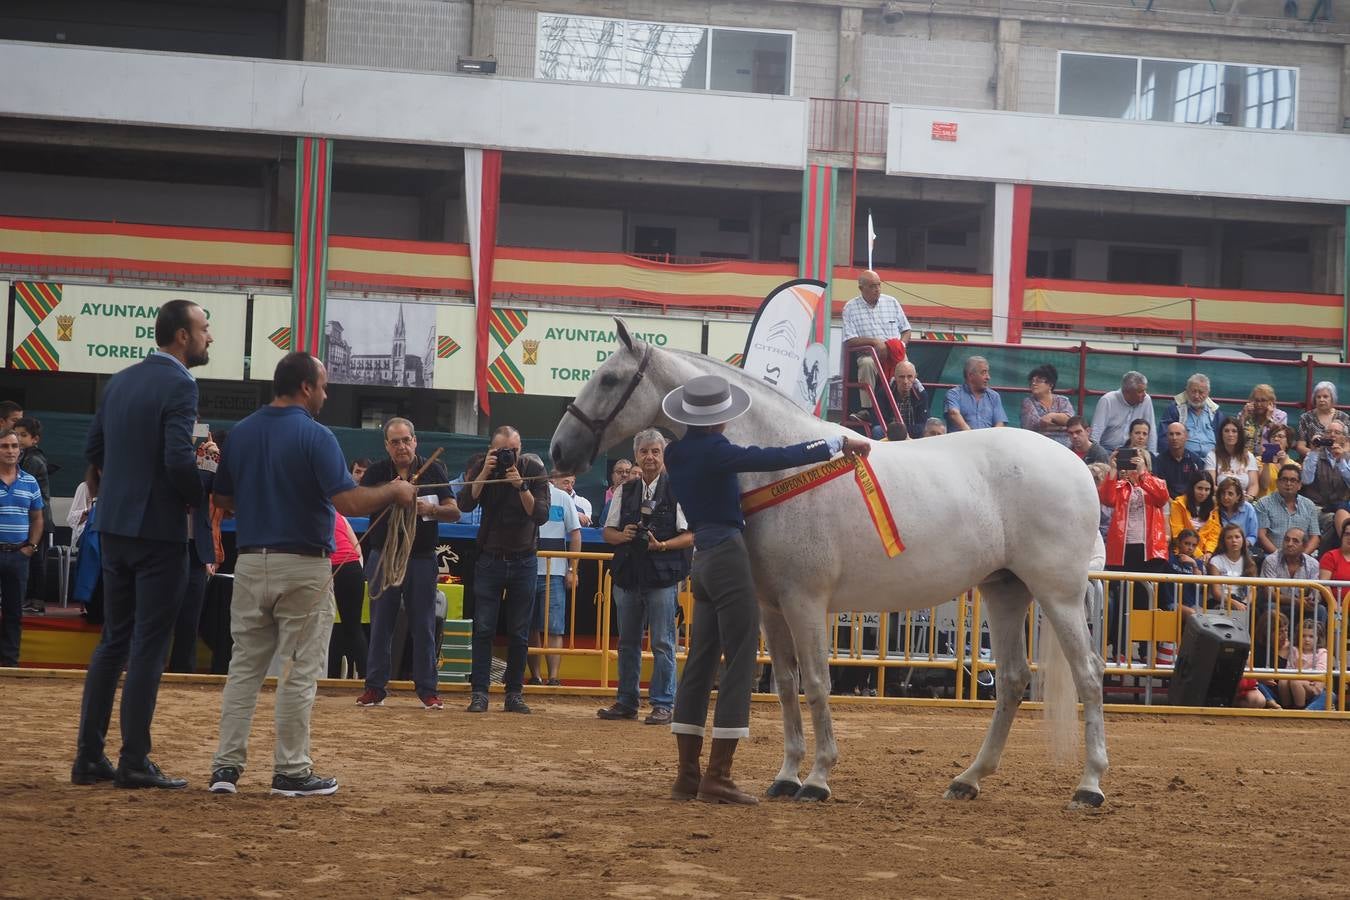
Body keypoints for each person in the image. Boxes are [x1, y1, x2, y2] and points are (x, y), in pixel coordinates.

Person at [208, 353, 415, 796]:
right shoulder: (316, 436)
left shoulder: (241, 433)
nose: (325, 393)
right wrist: (395, 491)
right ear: (305, 387)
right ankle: (291, 771)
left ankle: (225, 769)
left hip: (249, 561)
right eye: (322, 385)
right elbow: (350, 503)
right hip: (302, 563)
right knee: (299, 671)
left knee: (243, 667)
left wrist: (264, 503)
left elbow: (223, 497)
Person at [661, 374, 870, 805]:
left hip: (700, 559)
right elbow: (776, 455)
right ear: (719, 420)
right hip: (728, 555)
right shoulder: (718, 449)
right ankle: (718, 776)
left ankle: (687, 775)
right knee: (738, 662)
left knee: (699, 663)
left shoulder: (676, 452)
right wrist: (834, 443)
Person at [72, 298, 212, 790]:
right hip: (160, 531)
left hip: (114, 528)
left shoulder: (121, 381)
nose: (209, 337)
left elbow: (92, 449)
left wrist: (125, 486)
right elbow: (178, 460)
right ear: (181, 337)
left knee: (113, 641)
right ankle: (134, 760)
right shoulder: (181, 384)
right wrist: (199, 495)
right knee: (150, 646)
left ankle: (89, 756)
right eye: (204, 328)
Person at [355, 417, 457, 711]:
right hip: (384, 557)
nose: (402, 446)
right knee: (381, 624)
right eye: (395, 442)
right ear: (387, 446)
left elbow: (454, 511)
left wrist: (430, 508)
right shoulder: (376, 472)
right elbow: (359, 503)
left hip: (421, 558)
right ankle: (375, 687)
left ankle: (428, 690)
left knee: (423, 625)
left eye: (406, 440)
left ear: (415, 441)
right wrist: (388, 492)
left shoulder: (433, 469)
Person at [598, 429, 693, 726]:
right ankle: (626, 701)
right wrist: (623, 535)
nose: (649, 457)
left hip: (663, 577)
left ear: (663, 455)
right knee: (627, 641)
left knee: (663, 642)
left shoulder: (679, 487)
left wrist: (661, 544)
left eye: (655, 451)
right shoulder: (625, 490)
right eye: (644, 452)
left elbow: (690, 535)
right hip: (628, 576)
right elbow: (607, 532)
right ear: (636, 455)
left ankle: (664, 703)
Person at [457, 425, 551, 715]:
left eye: (515, 449)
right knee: (483, 628)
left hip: (524, 559)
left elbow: (540, 514)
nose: (511, 455)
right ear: (492, 450)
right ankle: (480, 692)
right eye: (504, 450)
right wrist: (485, 470)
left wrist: (520, 484)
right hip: (490, 559)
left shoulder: (533, 468)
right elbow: (465, 502)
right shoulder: (480, 466)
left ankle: (514, 693)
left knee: (520, 631)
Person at [1098, 449, 1170, 662]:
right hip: (1123, 550)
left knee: (1147, 600)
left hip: (1151, 551)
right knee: (1121, 600)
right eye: (1131, 463)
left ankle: (1147, 649)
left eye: (1139, 462)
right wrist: (1112, 469)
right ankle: (1120, 648)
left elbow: (1162, 498)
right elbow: (1106, 498)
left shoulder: (1156, 483)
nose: (1134, 466)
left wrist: (1143, 475)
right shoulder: (1120, 486)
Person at [167, 432, 220, 673]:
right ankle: (151, 670)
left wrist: (215, 459)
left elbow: (212, 490)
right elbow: (183, 485)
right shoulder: (163, 457)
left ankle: (183, 672)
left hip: (197, 549)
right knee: (161, 615)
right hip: (165, 546)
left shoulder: (206, 461)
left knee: (190, 619)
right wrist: (201, 465)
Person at [528, 466, 581, 686]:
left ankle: (553, 677)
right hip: (527, 570)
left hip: (555, 572)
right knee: (529, 626)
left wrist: (572, 569)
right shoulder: (527, 496)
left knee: (554, 627)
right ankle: (536, 677)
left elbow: (575, 534)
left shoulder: (563, 498)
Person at [842, 269, 912, 427]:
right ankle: (868, 410)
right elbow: (849, 340)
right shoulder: (850, 307)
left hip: (895, 353)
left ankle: (909, 405)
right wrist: (875, 342)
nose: (877, 289)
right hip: (869, 354)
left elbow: (906, 330)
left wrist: (900, 345)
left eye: (879, 285)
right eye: (873, 286)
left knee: (906, 368)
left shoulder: (891, 302)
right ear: (861, 288)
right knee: (867, 364)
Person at [0, 428, 44, 667]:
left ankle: (9, 663)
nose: (10, 451)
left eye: (14, 446)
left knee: (14, 613)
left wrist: (32, 547)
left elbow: (37, 518)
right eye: (4, 446)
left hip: (18, 555)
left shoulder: (30, 481)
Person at [13, 417, 52, 615]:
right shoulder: (21, 457)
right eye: (16, 433)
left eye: (23, 435)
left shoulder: (33, 460)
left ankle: (37, 601)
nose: (18, 439)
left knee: (37, 561)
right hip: (27, 518)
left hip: (38, 518)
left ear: (35, 439)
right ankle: (28, 599)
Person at [327, 513, 367, 679]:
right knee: (353, 627)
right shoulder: (340, 516)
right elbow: (357, 549)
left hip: (327, 566)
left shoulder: (306, 512)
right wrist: (358, 571)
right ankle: (367, 679)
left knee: (315, 626)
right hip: (351, 566)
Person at [1258, 528, 1323, 626]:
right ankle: (1274, 641)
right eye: (1287, 539)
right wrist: (1296, 601)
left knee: (1320, 610)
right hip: (1278, 604)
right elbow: (1269, 594)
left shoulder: (1313, 564)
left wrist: (1312, 601)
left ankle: (1311, 641)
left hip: (1302, 606)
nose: (1289, 544)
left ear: (1304, 546)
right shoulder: (1271, 560)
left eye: (1295, 541)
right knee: (1271, 607)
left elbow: (1316, 591)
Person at [1298, 420, 1350, 543]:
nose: (1332, 435)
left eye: (1337, 432)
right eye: (1329, 432)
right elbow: (1306, 479)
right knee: (1331, 520)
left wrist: (1341, 460)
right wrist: (1314, 451)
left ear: (1344, 438)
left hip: (1341, 507)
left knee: (1339, 517)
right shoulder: (1314, 454)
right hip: (1316, 507)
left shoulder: (1347, 458)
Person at [1254, 463, 1320, 557]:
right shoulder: (1264, 503)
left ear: (1299, 485)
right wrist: (1280, 557)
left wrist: (1301, 557)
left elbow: (1315, 537)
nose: (1288, 484)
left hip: (1302, 558)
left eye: (1293, 480)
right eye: (1284, 479)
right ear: (1277, 482)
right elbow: (1261, 535)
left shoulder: (1309, 505)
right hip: (1273, 557)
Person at [1159, 373, 1225, 457]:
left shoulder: (1215, 413)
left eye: (1201, 392)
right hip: (1184, 460)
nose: (1196, 396)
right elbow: (1164, 438)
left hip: (1212, 461)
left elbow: (1224, 438)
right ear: (1186, 391)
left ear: (1208, 393)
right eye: (1193, 391)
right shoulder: (1175, 409)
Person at [1090, 371, 1156, 452]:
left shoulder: (1146, 400)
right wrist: (1094, 455)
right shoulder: (1107, 400)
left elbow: (1151, 430)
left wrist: (1151, 456)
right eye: (1140, 392)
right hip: (1107, 450)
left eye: (1145, 390)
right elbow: (1096, 432)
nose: (1144, 394)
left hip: (1134, 451)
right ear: (1127, 392)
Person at [1168, 471, 1220, 561]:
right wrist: (1199, 555)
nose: (1203, 493)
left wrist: (1209, 552)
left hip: (1206, 556)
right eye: (1199, 488)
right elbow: (1178, 534)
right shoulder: (1178, 504)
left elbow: (1214, 534)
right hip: (1183, 553)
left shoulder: (1214, 507)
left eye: (1207, 489)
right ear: (1192, 488)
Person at [944, 356, 1006, 431]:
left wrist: (990, 439)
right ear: (970, 375)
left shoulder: (994, 396)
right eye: (983, 372)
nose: (988, 377)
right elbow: (954, 414)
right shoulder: (954, 394)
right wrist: (971, 435)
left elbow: (1000, 423)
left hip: (987, 441)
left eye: (987, 372)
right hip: (961, 441)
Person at [1277, 620, 1327, 710]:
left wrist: (1300, 677)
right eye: (1303, 636)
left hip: (1313, 685)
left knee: (1295, 681)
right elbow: (1289, 668)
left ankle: (1299, 708)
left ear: (1318, 638)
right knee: (1283, 681)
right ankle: (1286, 707)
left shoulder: (1321, 652)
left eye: (1311, 636)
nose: (1307, 639)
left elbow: (1320, 672)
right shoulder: (1295, 650)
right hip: (1296, 682)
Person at [1020, 364, 1074, 446]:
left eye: (1038, 381)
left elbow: (1071, 421)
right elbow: (1033, 425)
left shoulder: (1063, 401)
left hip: (1065, 447)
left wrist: (1052, 416)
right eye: (1032, 381)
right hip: (1039, 445)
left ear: (1050, 385)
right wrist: (1062, 426)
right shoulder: (1028, 402)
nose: (1034, 384)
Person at [1205, 419, 1259, 502]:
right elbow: (1210, 484)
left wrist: (1249, 498)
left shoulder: (1249, 456)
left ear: (1239, 434)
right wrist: (1230, 497)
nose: (1230, 434)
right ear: (1221, 434)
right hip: (1221, 499)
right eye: (1226, 431)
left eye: (1234, 431)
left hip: (1244, 501)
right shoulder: (1212, 455)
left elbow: (1254, 485)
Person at [1208, 523, 1256, 612]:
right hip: (1220, 601)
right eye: (1229, 537)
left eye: (1237, 537)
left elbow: (1252, 591)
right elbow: (1216, 592)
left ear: (1243, 540)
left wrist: (1244, 604)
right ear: (1223, 541)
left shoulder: (1250, 563)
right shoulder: (1216, 561)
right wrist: (1234, 603)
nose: (1234, 540)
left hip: (1241, 601)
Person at [1295, 381, 1350, 458]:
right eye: (1318, 397)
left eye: (1325, 396)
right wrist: (1318, 456)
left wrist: (1339, 453)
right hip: (1313, 461)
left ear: (1332, 399)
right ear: (1315, 399)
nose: (1321, 400)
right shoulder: (1305, 418)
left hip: (1338, 461)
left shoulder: (1344, 418)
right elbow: (1300, 446)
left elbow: (1348, 445)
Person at [1153, 421, 1205, 499]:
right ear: (1167, 437)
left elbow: (1201, 486)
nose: (1174, 438)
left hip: (1190, 502)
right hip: (1167, 503)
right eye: (1171, 434)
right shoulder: (1159, 461)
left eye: (1178, 434)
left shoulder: (1195, 460)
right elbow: (1158, 489)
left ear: (1186, 436)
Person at [1237, 384, 1287, 452]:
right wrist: (1243, 418)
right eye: (1256, 400)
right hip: (1244, 456)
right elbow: (1235, 436)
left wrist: (1269, 419)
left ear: (1271, 402)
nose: (1259, 404)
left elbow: (1279, 441)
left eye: (1263, 400)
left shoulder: (1281, 416)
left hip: (1269, 458)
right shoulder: (1244, 414)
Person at [887, 360, 929, 440]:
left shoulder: (921, 394)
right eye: (901, 377)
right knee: (877, 430)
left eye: (909, 377)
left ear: (915, 377)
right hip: (889, 433)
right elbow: (878, 421)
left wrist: (903, 432)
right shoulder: (885, 392)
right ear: (895, 377)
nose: (905, 381)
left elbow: (923, 423)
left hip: (912, 435)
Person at [1215, 476, 1258, 551]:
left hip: (1242, 549)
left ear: (1238, 496)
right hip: (1219, 549)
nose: (1225, 497)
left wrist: (1240, 545)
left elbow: (1252, 536)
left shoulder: (1248, 509)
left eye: (1230, 494)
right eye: (1223, 493)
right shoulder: (1215, 509)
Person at [1256, 424, 1297, 498]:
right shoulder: (1258, 460)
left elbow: (1291, 486)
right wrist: (1266, 462)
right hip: (1263, 502)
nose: (1276, 439)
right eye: (1273, 436)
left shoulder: (1294, 466)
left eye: (1280, 436)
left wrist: (1283, 463)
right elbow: (1264, 485)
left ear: (1288, 442)